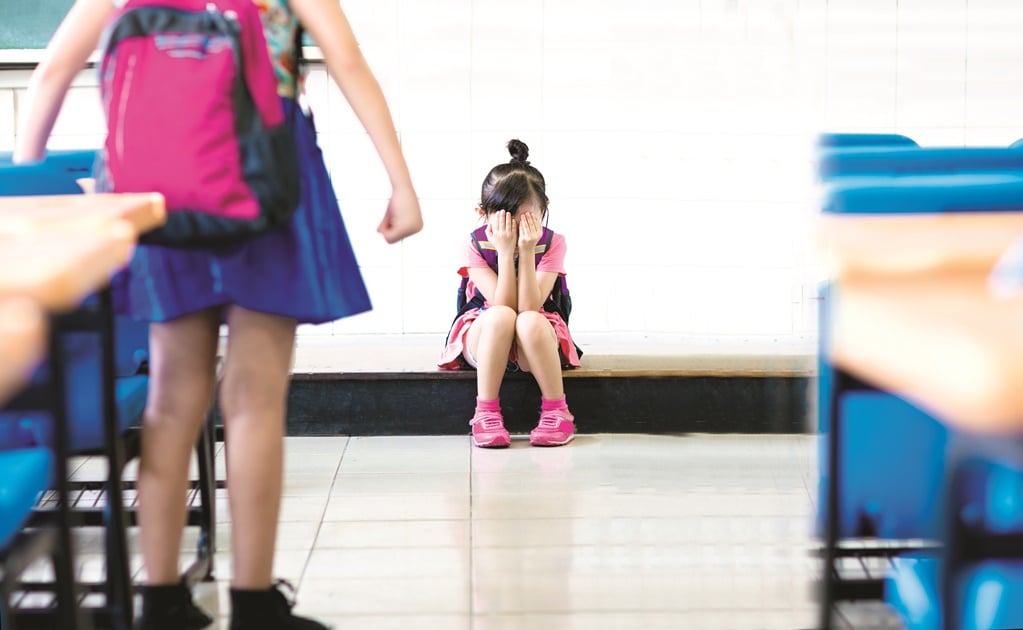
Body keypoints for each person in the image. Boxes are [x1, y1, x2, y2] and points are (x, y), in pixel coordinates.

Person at [14, 0, 423, 628]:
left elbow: (51, 73)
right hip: (268, 179)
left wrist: (32, 187)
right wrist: (400, 182)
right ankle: (254, 604)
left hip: (159, 188)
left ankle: (161, 602)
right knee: (254, 400)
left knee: (170, 403)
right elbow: (346, 60)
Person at [438, 139, 580, 449]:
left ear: (544, 211)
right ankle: (485, 413)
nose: (514, 232)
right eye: (504, 221)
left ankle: (557, 411)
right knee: (502, 314)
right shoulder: (473, 243)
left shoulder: (553, 242)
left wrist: (527, 251)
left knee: (528, 319)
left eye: (527, 221)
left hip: (535, 336)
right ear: (482, 212)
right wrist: (504, 252)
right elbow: (503, 306)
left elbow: (530, 306)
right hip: (487, 330)